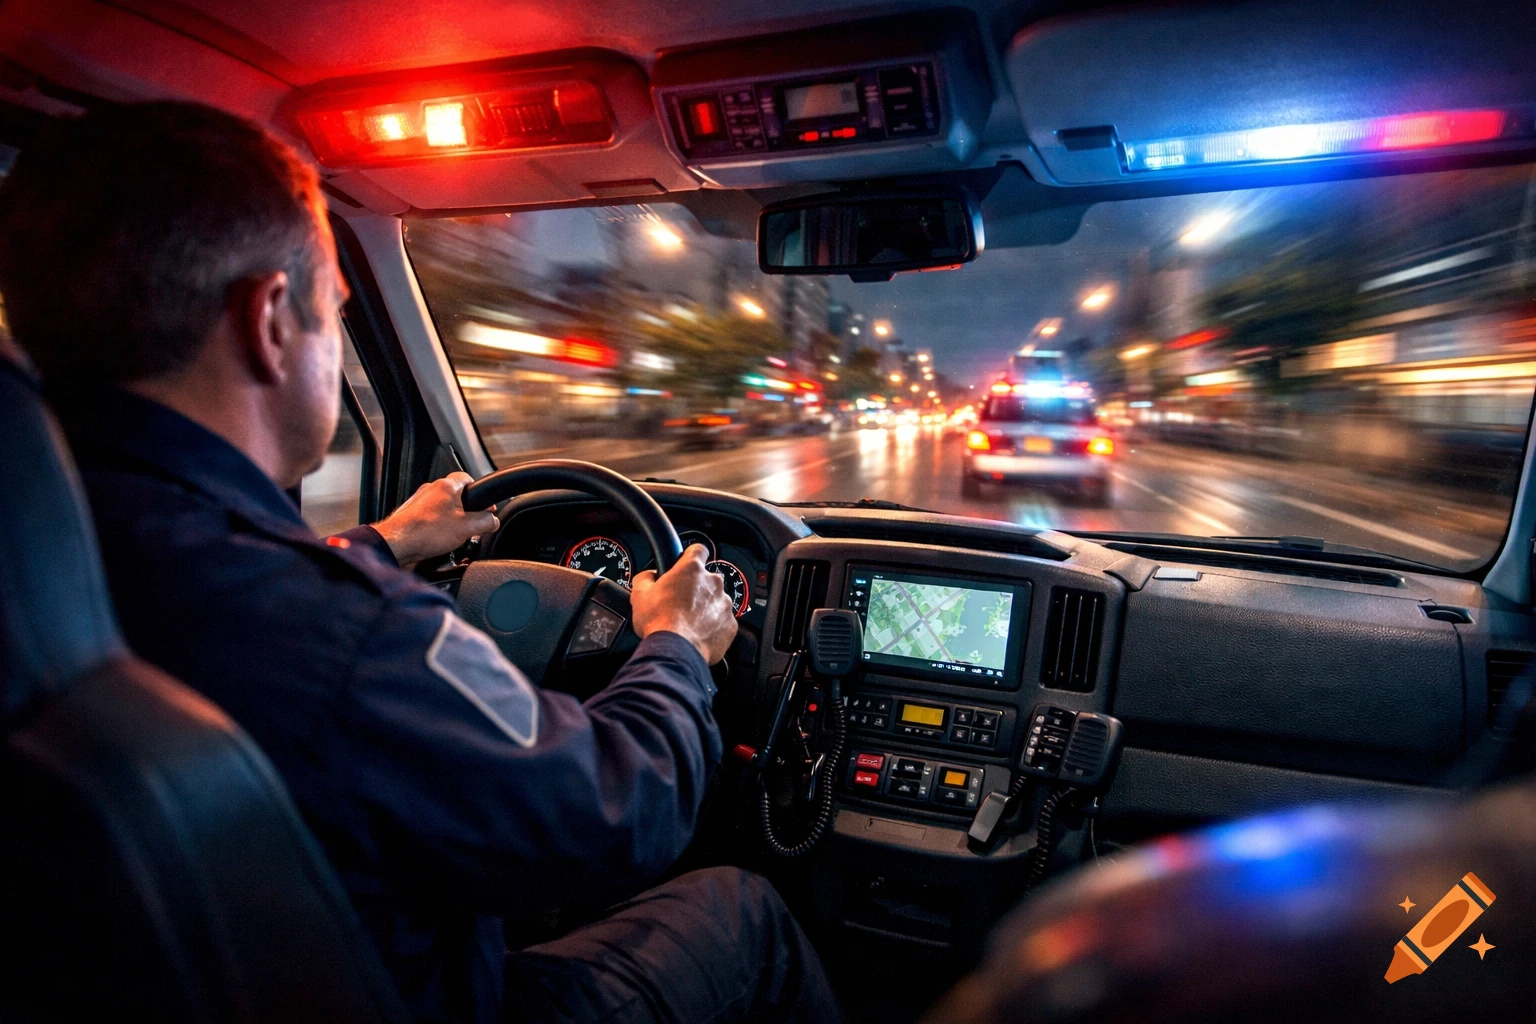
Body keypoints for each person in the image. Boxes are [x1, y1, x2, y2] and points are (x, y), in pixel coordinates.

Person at [0, 101, 840, 1024]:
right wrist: (675, 645)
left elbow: (225, 590)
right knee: (743, 911)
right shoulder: (346, 637)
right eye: (335, 314)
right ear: (270, 320)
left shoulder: (47, 546)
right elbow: (619, 807)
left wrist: (385, 543)